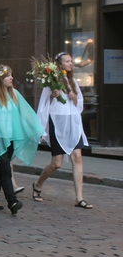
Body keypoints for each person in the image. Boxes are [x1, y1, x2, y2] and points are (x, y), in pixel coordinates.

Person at [0, 65, 44, 214]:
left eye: (11, 75)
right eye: (8, 76)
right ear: (0, 78)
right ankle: (12, 202)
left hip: (11, 137)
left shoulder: (14, 94)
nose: (11, 78)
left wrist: (38, 130)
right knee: (5, 168)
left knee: (0, 169)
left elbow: (26, 113)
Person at [33, 52, 92, 209]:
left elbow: (79, 104)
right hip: (57, 122)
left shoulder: (72, 81)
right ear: (59, 65)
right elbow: (43, 104)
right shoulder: (51, 82)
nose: (71, 63)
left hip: (73, 122)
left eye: (71, 61)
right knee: (56, 164)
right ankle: (38, 184)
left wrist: (74, 98)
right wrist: (52, 96)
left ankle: (79, 198)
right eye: (67, 61)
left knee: (77, 157)